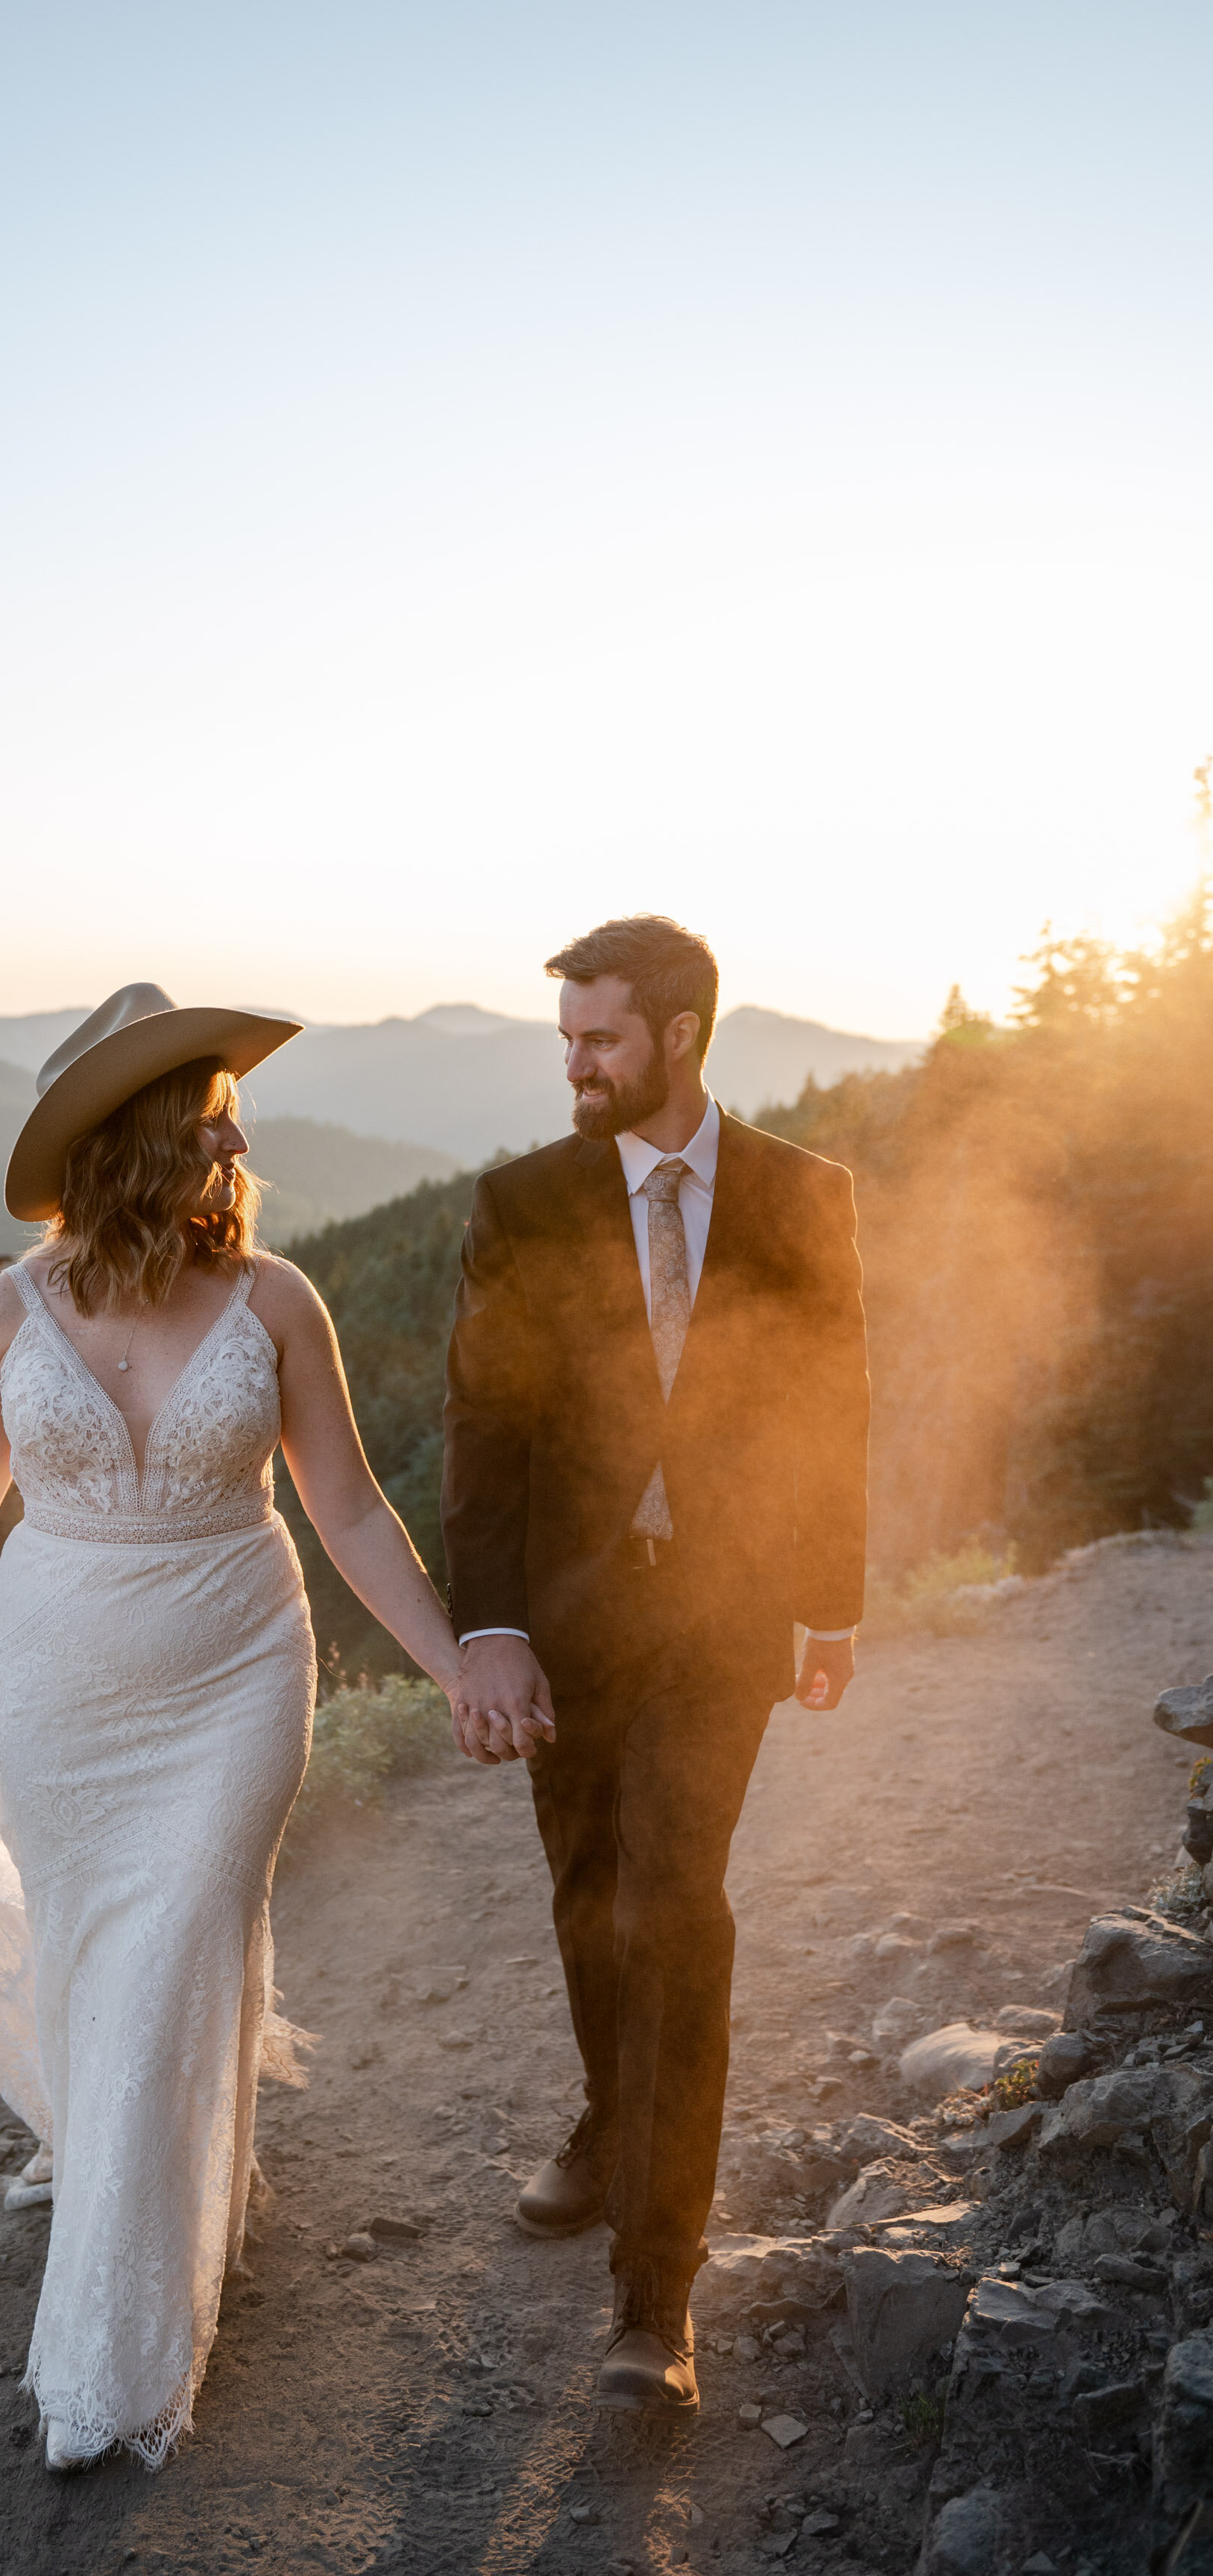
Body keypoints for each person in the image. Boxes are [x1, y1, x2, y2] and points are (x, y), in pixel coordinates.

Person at [0, 982, 463, 2471]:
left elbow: (345, 1507)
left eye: (230, 1108)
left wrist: (448, 1660)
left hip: (237, 1672)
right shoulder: (4, 1312)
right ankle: (145, 2165)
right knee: (99, 1953)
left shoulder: (280, 1300)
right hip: (57, 1692)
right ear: (139, 1138)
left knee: (177, 1945)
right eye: (206, 1110)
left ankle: (113, 2354)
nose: (235, 1133)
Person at [441, 915, 869, 2416]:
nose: (577, 1065)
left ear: (680, 1034)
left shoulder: (803, 1196)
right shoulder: (522, 1202)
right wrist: (485, 1626)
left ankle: (654, 2294)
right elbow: (484, 1435)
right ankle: (609, 2115)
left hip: (724, 1618)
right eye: (564, 1040)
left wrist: (832, 1596)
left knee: (672, 1901)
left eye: (600, 1040)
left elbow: (834, 1400)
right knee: (583, 1891)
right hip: (567, 1618)